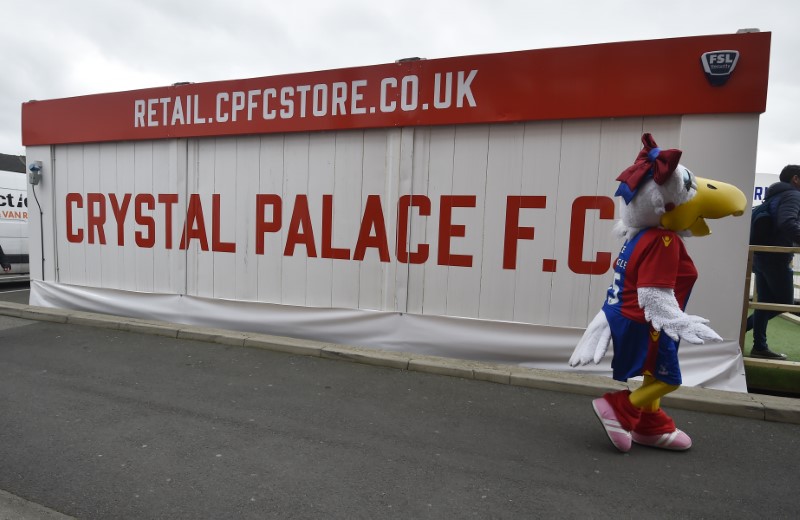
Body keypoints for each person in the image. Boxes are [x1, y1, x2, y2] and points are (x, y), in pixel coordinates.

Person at [745, 164, 800, 360]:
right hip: (776, 258)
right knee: (784, 302)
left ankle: (759, 346)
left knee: (765, 303)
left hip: (762, 256)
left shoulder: (774, 196)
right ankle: (739, 329)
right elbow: (787, 223)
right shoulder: (793, 195)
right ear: (795, 179)